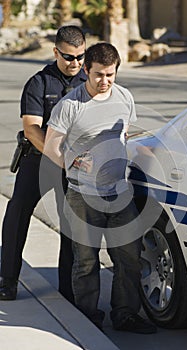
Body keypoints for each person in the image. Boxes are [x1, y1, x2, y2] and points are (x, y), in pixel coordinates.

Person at [44, 42, 157, 334]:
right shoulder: (70, 105)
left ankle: (125, 315)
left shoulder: (124, 97)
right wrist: (74, 162)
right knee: (85, 262)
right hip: (83, 196)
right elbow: (51, 147)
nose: (105, 81)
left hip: (120, 192)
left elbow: (126, 135)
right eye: (98, 75)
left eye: (110, 74)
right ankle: (88, 318)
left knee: (129, 258)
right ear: (86, 70)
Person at [0, 25, 86, 303]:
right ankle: (7, 280)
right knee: (17, 214)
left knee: (71, 225)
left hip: (73, 164)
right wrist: (59, 158)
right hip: (39, 159)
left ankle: (68, 290)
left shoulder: (90, 81)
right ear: (55, 52)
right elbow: (32, 130)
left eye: (80, 57)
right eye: (69, 57)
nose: (75, 63)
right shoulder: (39, 82)